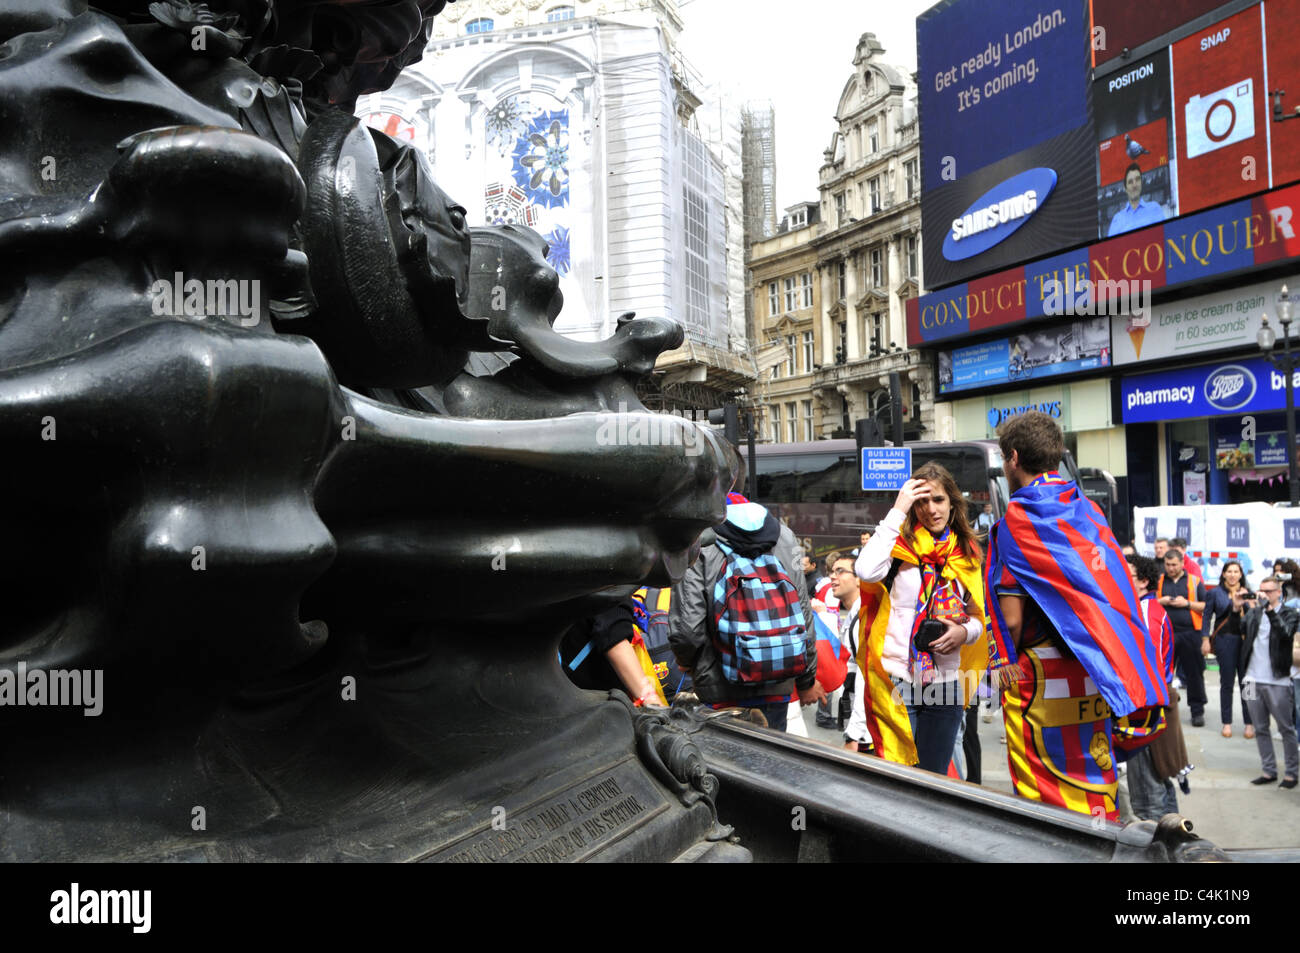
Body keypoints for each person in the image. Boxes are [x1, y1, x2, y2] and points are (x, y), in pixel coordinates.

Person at [986, 411, 1167, 821]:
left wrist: (999, 665)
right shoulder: (1089, 515)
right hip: (1096, 673)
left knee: (1046, 795)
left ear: (1013, 458)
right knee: (1096, 774)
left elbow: (1011, 620)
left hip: (1041, 678)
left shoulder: (1016, 522)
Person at [855, 463, 988, 775]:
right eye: (922, 501)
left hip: (946, 684)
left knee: (935, 780)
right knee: (897, 777)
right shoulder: (897, 547)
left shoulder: (966, 553)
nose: (931, 509)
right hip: (897, 679)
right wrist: (898, 509)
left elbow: (979, 619)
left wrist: (963, 633)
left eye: (938, 500)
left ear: (952, 503)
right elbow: (864, 570)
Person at [668, 495, 823, 731]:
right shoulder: (785, 536)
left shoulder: (699, 538)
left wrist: (689, 663)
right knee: (770, 762)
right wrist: (806, 680)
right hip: (777, 681)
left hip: (719, 688)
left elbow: (688, 628)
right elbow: (803, 611)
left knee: (726, 765)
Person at [1124, 555, 1182, 819]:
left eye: (1128, 574)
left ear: (1144, 582)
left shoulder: (1146, 612)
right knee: (1158, 782)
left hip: (1144, 709)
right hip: (1149, 706)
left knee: (1148, 799)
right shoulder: (1141, 609)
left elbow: (1149, 666)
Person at [1240, 577, 1300, 787]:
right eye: (1261, 590)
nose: (1263, 594)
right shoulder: (1255, 612)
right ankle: (1268, 771)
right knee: (1260, 727)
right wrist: (1235, 607)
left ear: (1278, 593)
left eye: (1268, 591)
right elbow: (1239, 629)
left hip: (1278, 680)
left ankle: (1292, 773)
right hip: (1250, 679)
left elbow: (1285, 634)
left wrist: (1271, 611)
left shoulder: (1290, 614)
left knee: (1286, 728)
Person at [560, 598, 666, 707]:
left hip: (553, 689)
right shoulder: (607, 587)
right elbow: (615, 635)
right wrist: (651, 700)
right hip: (592, 705)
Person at [1201, 560, 1254, 739]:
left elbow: (1254, 616)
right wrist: (1205, 640)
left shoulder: (1247, 592)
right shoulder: (1215, 593)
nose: (1232, 575)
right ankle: (1227, 722)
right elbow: (1207, 616)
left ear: (1241, 574)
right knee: (1227, 683)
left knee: (1248, 683)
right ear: (1223, 574)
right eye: (1229, 571)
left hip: (1246, 641)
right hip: (1225, 640)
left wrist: (1249, 602)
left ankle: (1249, 723)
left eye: (1236, 571)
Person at [1158, 549, 1208, 726]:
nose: (1170, 568)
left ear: (1181, 564)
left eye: (1174, 565)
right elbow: (1147, 602)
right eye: (1168, 565)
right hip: (1165, 635)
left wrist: (1186, 603)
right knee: (1162, 673)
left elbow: (1206, 606)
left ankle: (1197, 711)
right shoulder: (1159, 581)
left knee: (1194, 673)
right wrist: (1161, 601)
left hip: (1189, 633)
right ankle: (1161, 709)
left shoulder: (1194, 581)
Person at [826, 553, 870, 752]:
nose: (832, 577)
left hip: (866, 733)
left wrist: (855, 733)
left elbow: (866, 676)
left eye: (840, 571)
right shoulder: (854, 614)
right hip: (857, 721)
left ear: (859, 579)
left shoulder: (865, 616)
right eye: (832, 572)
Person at [1108, 162, 1168, 237]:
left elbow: (1165, 236)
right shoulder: (1117, 220)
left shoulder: (1155, 209)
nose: (1134, 185)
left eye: (1137, 179)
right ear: (1125, 188)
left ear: (1141, 183)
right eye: (1130, 182)